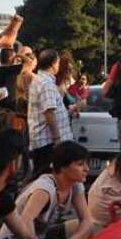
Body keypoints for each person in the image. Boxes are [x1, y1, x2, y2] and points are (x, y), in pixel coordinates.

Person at [2, 141, 96, 239]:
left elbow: (87, 221)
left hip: (40, 237)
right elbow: (25, 224)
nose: (86, 168)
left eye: (87, 164)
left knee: (90, 228)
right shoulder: (45, 189)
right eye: (80, 164)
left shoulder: (75, 186)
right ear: (63, 167)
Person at [27, 49, 74, 177]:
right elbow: (49, 113)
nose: (58, 65)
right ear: (53, 64)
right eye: (58, 62)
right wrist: (57, 139)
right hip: (48, 143)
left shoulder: (41, 80)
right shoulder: (45, 83)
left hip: (45, 142)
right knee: (46, 178)